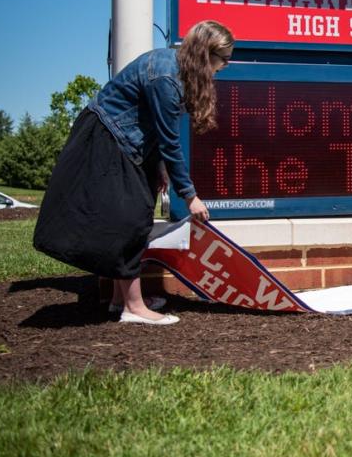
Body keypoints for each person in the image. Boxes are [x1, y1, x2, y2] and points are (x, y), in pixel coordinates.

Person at [33, 21, 235, 324]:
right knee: (132, 219)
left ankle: (120, 299)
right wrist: (189, 196)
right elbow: (169, 140)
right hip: (107, 139)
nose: (225, 66)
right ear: (207, 55)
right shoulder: (167, 77)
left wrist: (159, 168)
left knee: (128, 216)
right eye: (224, 59)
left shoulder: (175, 69)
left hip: (125, 143)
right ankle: (135, 307)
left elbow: (151, 128)